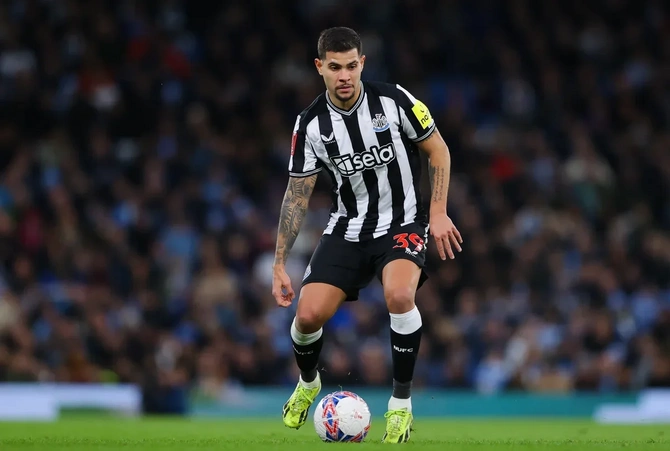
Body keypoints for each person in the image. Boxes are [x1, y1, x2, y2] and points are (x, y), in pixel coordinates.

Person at [271, 26, 462, 443]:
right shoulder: (310, 124)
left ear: (362, 64)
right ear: (319, 67)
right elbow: (297, 195)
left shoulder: (394, 101)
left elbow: (438, 149)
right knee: (307, 316)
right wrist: (280, 262)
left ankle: (400, 406)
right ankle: (308, 384)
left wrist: (438, 211)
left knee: (400, 296)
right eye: (334, 67)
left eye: (351, 66)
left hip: (403, 222)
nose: (344, 75)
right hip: (348, 228)